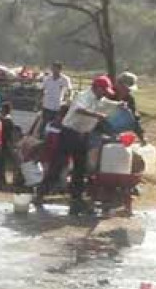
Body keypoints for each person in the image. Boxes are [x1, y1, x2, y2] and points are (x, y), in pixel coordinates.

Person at [35, 75, 122, 214]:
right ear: (96, 88)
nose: (105, 93)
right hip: (69, 134)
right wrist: (97, 115)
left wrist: (119, 105)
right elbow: (79, 109)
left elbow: (107, 104)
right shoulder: (83, 96)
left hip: (83, 135)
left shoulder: (100, 99)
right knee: (58, 165)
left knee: (80, 169)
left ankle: (76, 199)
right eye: (103, 90)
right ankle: (40, 194)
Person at [40, 62, 72, 136]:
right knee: (44, 123)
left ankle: (53, 140)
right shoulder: (47, 78)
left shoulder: (65, 79)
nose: (53, 70)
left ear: (60, 69)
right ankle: (41, 138)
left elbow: (69, 90)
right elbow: (42, 89)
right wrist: (40, 100)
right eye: (52, 68)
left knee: (55, 125)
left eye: (55, 68)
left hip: (58, 106)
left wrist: (68, 100)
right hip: (47, 104)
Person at [114, 72, 145, 143]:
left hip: (118, 128)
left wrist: (141, 138)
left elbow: (135, 118)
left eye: (129, 89)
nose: (129, 91)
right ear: (119, 85)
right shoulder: (108, 94)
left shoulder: (129, 98)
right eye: (126, 88)